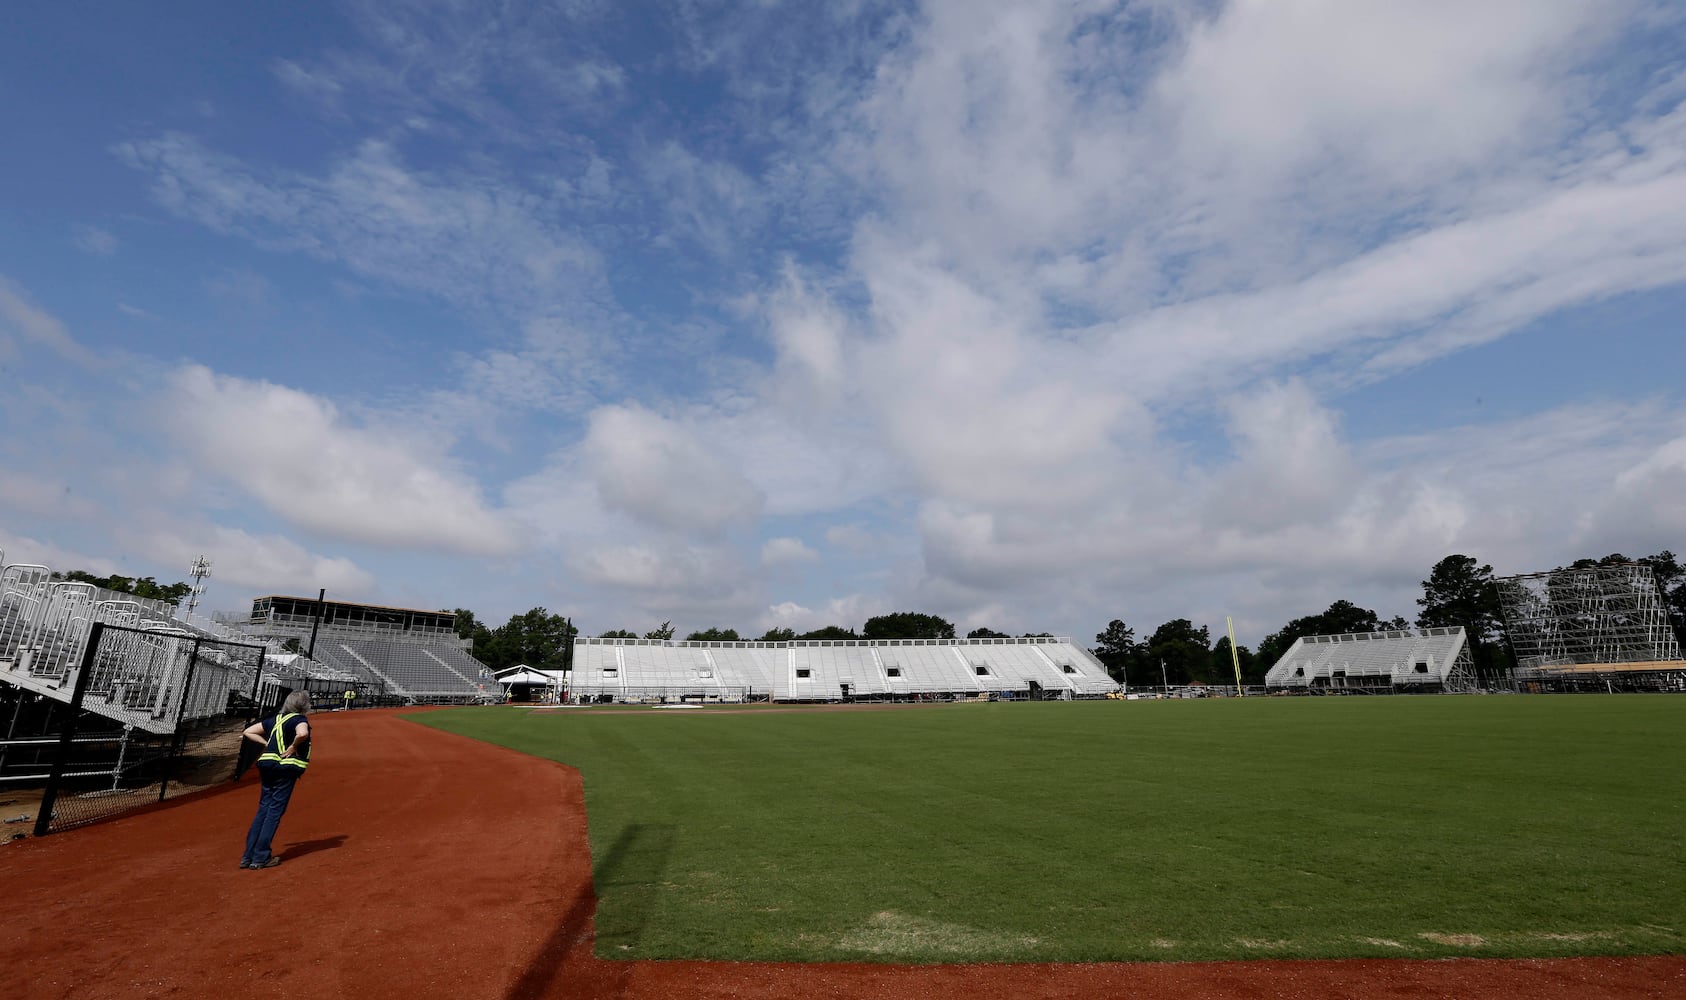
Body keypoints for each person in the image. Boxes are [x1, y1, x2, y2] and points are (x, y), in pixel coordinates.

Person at [239, 690, 312, 870]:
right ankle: (261, 857)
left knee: (263, 809)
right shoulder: (299, 720)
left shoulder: (276, 720)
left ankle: (248, 856)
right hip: (285, 767)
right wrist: (294, 746)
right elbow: (302, 734)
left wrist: (267, 745)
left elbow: (248, 731)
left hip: (266, 765)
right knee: (274, 811)